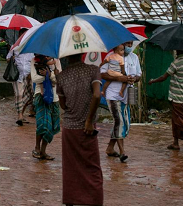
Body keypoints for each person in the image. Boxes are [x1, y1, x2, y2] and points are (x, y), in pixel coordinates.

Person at [56, 53, 104, 206]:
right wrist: (89, 120)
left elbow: (63, 105)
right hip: (87, 128)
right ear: (83, 53)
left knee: (70, 168)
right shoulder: (93, 70)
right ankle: (95, 201)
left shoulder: (62, 76)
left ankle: (71, 201)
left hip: (70, 128)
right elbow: (97, 95)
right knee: (92, 167)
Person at [101, 40, 142, 161]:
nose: (129, 46)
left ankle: (110, 148)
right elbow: (102, 74)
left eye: (131, 44)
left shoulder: (134, 57)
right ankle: (122, 152)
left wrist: (134, 78)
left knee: (125, 122)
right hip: (113, 94)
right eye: (127, 44)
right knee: (119, 120)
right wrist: (120, 78)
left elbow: (139, 74)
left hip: (127, 94)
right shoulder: (111, 56)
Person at [31, 54, 61, 161]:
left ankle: (43, 150)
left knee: (52, 126)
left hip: (54, 97)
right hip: (41, 96)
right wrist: (47, 77)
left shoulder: (56, 61)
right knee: (43, 124)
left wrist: (49, 75)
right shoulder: (34, 61)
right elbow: (34, 78)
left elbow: (58, 79)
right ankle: (37, 147)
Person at [7, 31, 34, 127]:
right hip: (17, 76)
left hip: (29, 76)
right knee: (19, 95)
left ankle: (21, 113)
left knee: (29, 95)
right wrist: (12, 58)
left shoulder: (32, 48)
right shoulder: (14, 47)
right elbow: (7, 58)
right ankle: (19, 115)